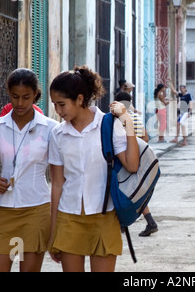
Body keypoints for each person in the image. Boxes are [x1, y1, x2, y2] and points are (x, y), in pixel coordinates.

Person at [48, 65, 140, 272]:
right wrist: (53, 232)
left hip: (104, 215)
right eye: (54, 105)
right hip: (68, 216)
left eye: (62, 104)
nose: (58, 111)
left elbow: (132, 165)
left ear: (80, 99)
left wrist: (127, 121)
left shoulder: (108, 125)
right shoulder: (57, 134)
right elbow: (56, 184)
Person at [0, 68, 58, 272]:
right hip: (4, 210)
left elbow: (60, 178)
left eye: (26, 97)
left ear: (35, 95)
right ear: (8, 93)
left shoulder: (50, 128)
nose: (20, 103)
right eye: (15, 97)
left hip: (37, 210)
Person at [115, 91, 158, 237]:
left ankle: (122, 222)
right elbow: (145, 137)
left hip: (125, 161)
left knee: (126, 192)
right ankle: (150, 221)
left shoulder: (119, 120)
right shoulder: (136, 118)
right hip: (139, 160)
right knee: (138, 191)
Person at [169, 80, 193, 146]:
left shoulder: (188, 95)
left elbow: (191, 103)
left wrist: (189, 112)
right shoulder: (180, 95)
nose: (181, 90)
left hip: (186, 112)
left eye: (182, 88)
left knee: (181, 123)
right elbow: (174, 91)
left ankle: (185, 140)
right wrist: (171, 82)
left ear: (185, 89)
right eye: (180, 89)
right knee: (178, 124)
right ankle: (177, 138)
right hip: (181, 112)